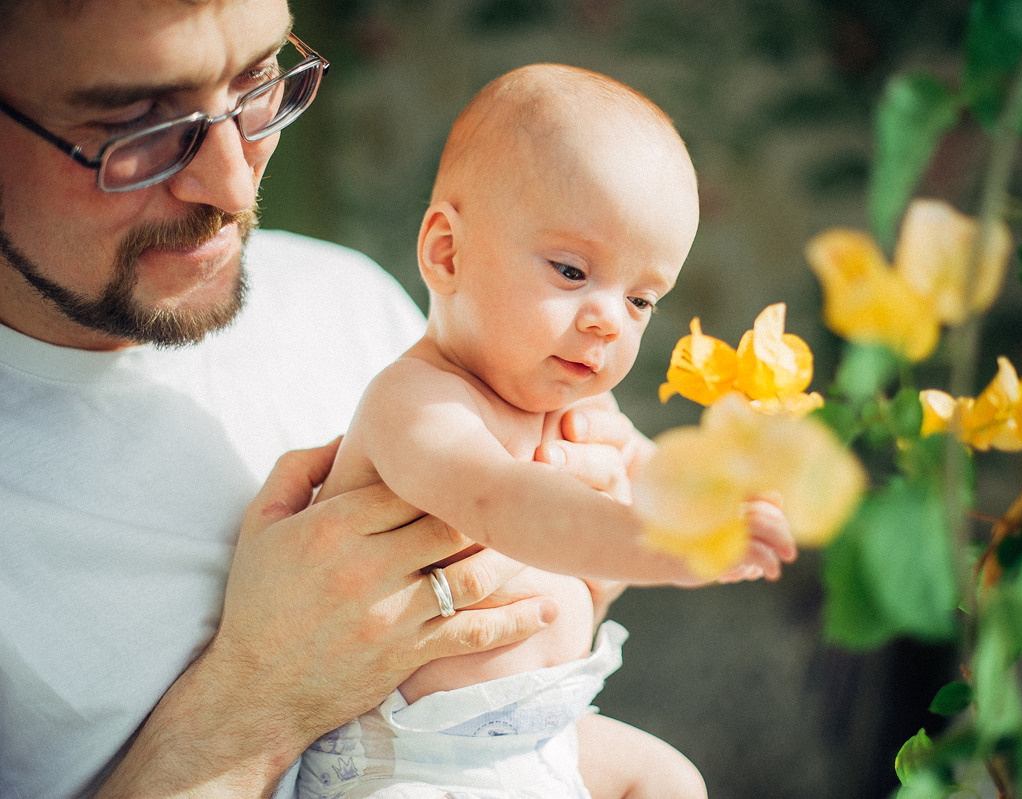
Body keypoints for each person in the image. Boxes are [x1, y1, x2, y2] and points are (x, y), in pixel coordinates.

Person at [0, 2, 670, 797]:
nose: (232, 178)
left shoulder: (341, 296)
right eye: (139, 126)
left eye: (257, 81)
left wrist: (583, 557)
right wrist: (256, 698)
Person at [295, 64, 797, 799]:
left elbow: (644, 466)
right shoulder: (417, 404)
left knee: (672, 781)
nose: (607, 319)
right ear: (447, 253)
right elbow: (507, 502)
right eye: (571, 270)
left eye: (641, 298)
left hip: (542, 737)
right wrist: (663, 546)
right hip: (409, 763)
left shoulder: (578, 411)